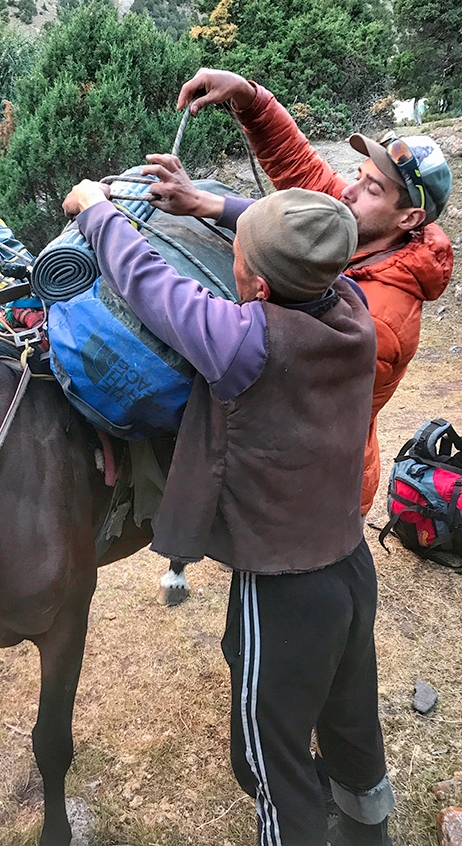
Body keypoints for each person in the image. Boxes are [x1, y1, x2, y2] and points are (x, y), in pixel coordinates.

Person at [61, 179, 393, 846]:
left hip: (284, 591)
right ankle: (370, 828)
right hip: (350, 569)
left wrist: (97, 209)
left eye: (238, 255)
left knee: (269, 762)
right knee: (351, 716)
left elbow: (154, 287)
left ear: (260, 288)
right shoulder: (354, 311)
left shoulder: (244, 344)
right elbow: (318, 239)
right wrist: (214, 207)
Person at [143, 69, 453, 514]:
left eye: (372, 188)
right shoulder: (355, 225)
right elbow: (298, 168)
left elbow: (274, 360)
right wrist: (250, 98)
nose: (348, 190)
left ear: (408, 220)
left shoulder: (382, 315)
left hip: (314, 486)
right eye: (358, 174)